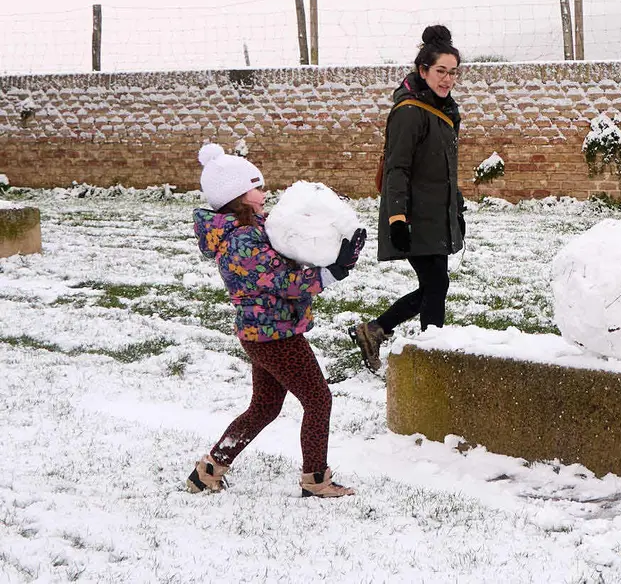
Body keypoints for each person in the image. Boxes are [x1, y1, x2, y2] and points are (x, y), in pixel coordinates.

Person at [186, 143, 366, 497]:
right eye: (258, 187)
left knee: (265, 407)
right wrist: (334, 273)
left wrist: (333, 236)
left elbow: (295, 244)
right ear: (237, 194)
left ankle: (208, 471)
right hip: (273, 335)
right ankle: (316, 479)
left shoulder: (255, 227)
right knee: (318, 400)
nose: (265, 192)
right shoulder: (240, 241)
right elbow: (284, 281)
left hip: (265, 331)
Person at [349, 24, 466, 372]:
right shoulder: (410, 111)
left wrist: (454, 203)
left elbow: (441, 167)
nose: (447, 80)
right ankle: (431, 353)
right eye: (441, 72)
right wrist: (397, 219)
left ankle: (376, 330)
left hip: (436, 213)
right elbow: (397, 168)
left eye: (453, 73)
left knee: (435, 285)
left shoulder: (443, 109)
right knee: (435, 285)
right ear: (423, 71)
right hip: (413, 216)